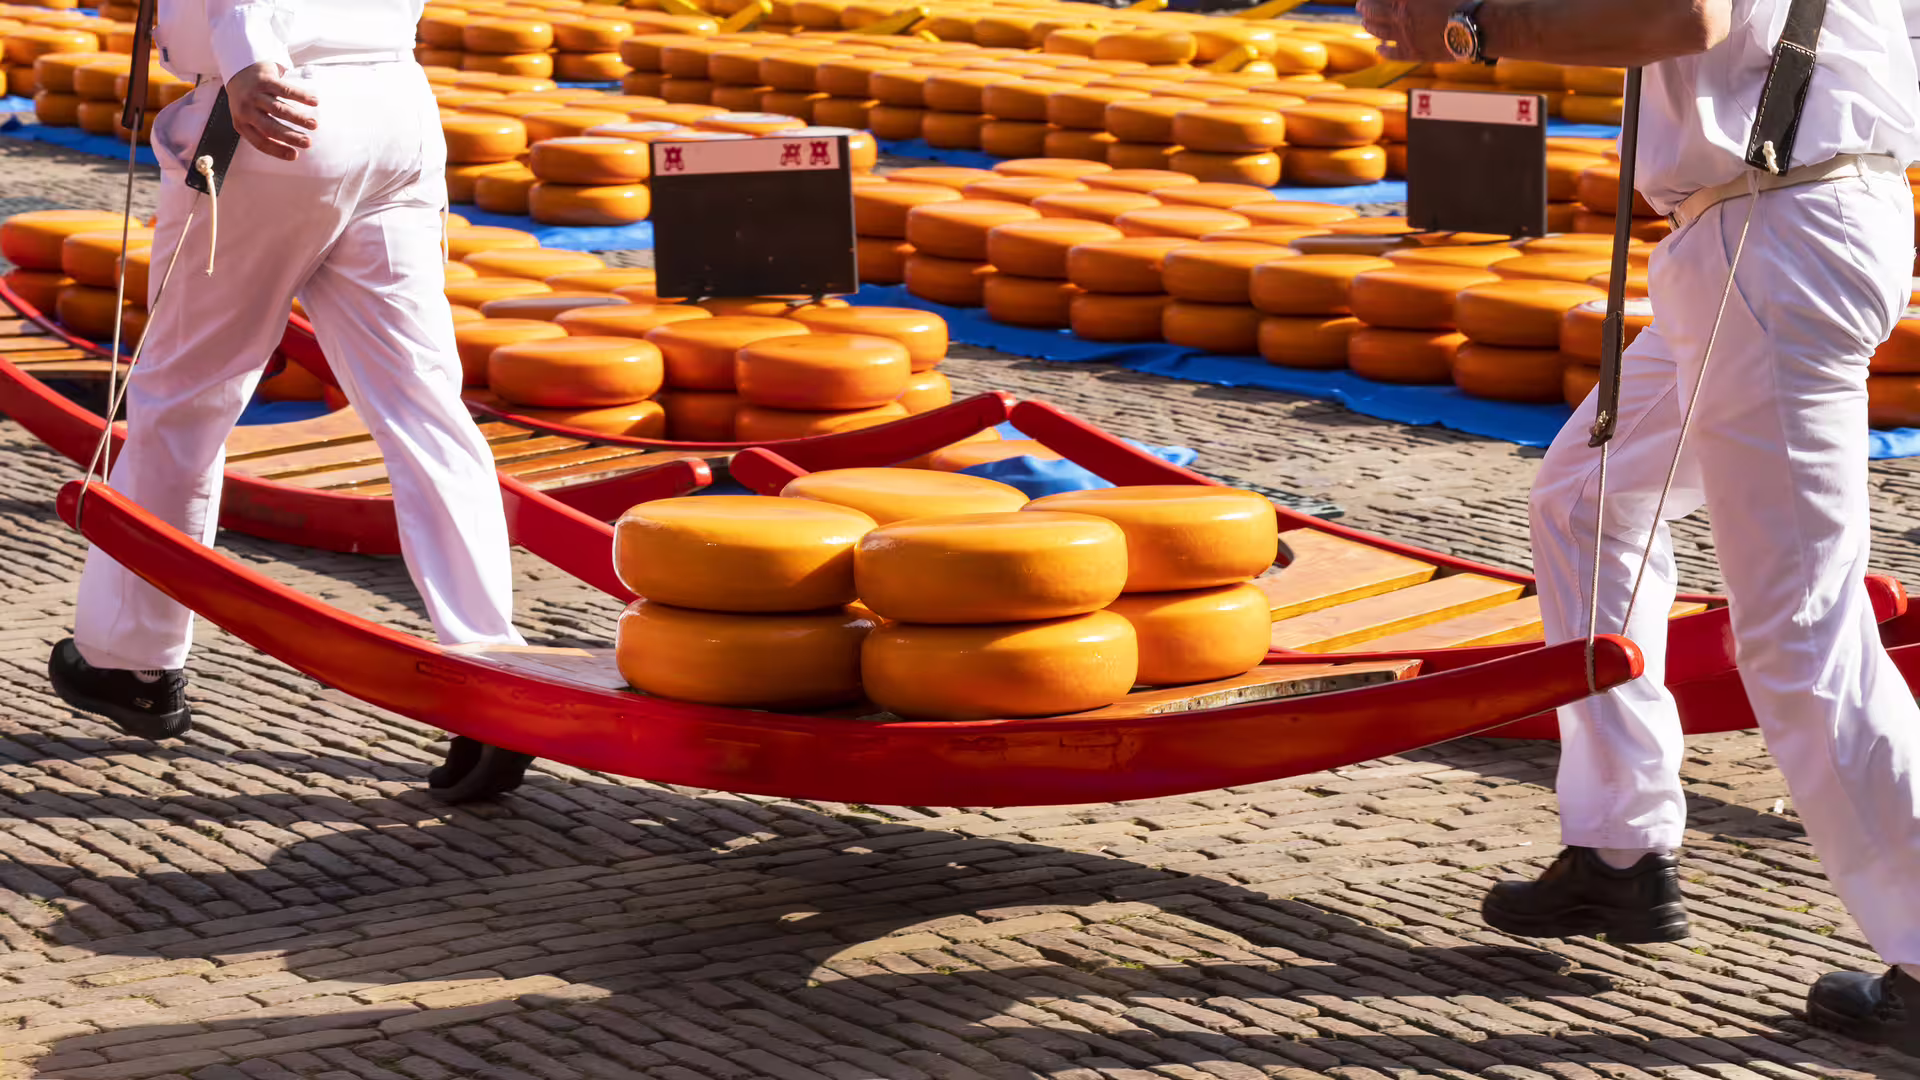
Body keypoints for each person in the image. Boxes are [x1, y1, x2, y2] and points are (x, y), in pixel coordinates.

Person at [1358, 0, 1920, 1055]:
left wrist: (1464, 27)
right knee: (1586, 500)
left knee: (1800, 629)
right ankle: (1620, 851)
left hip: (1776, 231)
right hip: (1762, 228)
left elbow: (1679, 12)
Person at [49, 0, 524, 737]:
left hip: (274, 103)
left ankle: (133, 657)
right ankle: (492, 659)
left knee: (184, 398)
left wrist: (245, 57)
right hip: (394, 101)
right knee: (424, 403)